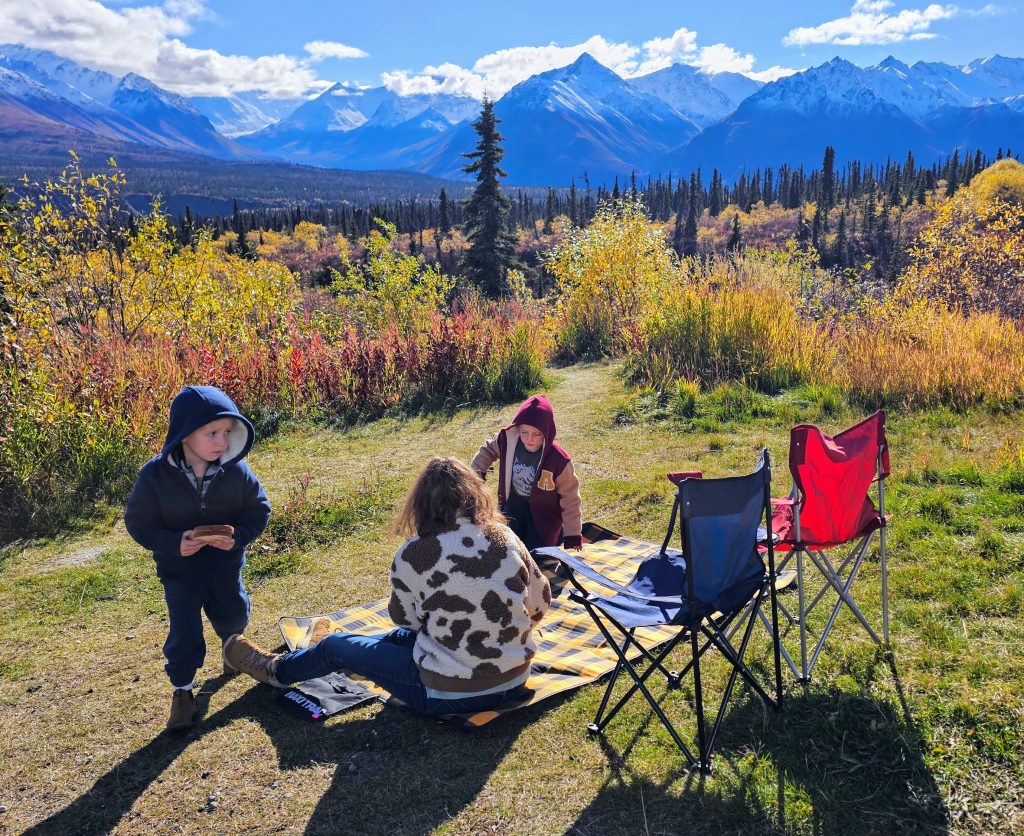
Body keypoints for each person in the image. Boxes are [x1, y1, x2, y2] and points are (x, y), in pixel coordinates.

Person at [223, 456, 551, 717]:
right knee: (397, 641)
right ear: (475, 495)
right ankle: (324, 654)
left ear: (420, 505)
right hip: (516, 677)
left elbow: (404, 618)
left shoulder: (414, 553)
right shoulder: (504, 536)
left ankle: (276, 670)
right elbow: (540, 602)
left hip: (447, 695)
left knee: (339, 646)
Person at [124, 385, 271, 732]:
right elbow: (138, 522)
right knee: (184, 633)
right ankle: (182, 692)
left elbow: (259, 510)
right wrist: (173, 543)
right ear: (185, 434)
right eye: (212, 433)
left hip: (224, 567)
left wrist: (237, 537)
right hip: (180, 573)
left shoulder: (236, 472)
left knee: (232, 614)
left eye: (226, 432)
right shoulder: (155, 476)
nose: (221, 441)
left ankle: (232, 650)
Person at [470, 394, 582, 551]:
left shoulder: (559, 461)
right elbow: (488, 450)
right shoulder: (507, 440)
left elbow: (570, 499)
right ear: (518, 428)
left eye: (537, 434)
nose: (530, 439)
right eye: (524, 432)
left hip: (544, 515)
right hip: (514, 505)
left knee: (538, 553)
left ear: (547, 432)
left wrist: (573, 533)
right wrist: (475, 473)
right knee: (505, 545)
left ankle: (557, 536)